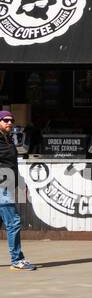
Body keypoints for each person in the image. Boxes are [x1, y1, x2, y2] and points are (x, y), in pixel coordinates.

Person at [0, 111, 35, 270]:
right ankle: (17, 260)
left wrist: (20, 182)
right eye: (6, 120)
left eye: (11, 120)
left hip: (9, 182)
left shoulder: (8, 139)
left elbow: (11, 164)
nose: (9, 123)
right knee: (13, 222)